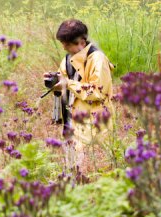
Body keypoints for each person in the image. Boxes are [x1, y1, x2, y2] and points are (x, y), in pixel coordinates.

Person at [44, 19, 114, 170]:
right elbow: (64, 85)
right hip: (72, 118)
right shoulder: (68, 59)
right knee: (73, 168)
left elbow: (98, 92)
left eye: (68, 44)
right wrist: (55, 83)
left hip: (94, 120)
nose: (64, 47)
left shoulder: (97, 59)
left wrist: (68, 83)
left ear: (82, 41)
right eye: (63, 43)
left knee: (96, 167)